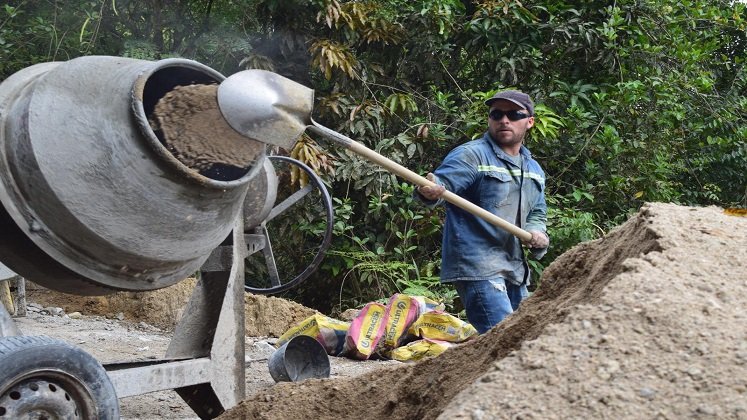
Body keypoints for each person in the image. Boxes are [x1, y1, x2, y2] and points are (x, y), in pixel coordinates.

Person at [415, 90, 549, 334]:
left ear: (530, 121)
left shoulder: (533, 168)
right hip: (478, 266)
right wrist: (429, 191)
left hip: (514, 267)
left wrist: (537, 231)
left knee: (527, 337)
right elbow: (439, 186)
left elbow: (537, 211)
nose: (504, 120)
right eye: (496, 114)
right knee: (504, 339)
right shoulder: (471, 155)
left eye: (513, 114)